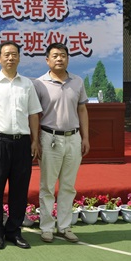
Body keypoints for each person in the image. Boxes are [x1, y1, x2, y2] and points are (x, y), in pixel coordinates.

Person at [0, 41, 42, 250]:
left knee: (19, 189)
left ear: (19, 58)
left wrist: (35, 140)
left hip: (22, 142)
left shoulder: (27, 84)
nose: (10, 58)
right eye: (6, 54)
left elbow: (33, 114)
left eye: (14, 54)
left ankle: (14, 231)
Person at [33, 42, 90, 244]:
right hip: (49, 138)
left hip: (73, 137)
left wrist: (85, 137)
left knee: (68, 185)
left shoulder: (77, 81)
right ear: (47, 60)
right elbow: (34, 114)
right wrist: (35, 140)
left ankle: (64, 226)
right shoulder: (39, 84)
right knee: (47, 186)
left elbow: (82, 110)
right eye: (55, 55)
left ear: (68, 59)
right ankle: (47, 227)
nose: (59, 59)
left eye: (63, 55)